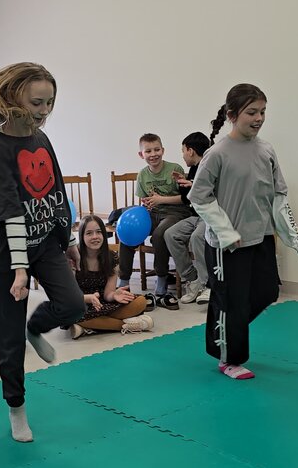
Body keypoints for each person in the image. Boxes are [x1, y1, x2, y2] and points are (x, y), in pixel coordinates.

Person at [0, 62, 85, 443]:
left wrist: (69, 241)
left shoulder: (41, 138)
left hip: (44, 241)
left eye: (49, 103)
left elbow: (56, 192)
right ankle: (16, 408)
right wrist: (20, 270)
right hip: (8, 252)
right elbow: (8, 212)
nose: (44, 110)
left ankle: (35, 326)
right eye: (37, 103)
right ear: (13, 97)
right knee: (9, 342)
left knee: (73, 305)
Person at [189, 83, 298, 381]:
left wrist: (292, 235)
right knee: (232, 302)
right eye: (252, 112)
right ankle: (229, 359)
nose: (259, 118)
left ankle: (224, 322)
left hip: (261, 236)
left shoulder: (266, 149)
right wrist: (226, 231)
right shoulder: (217, 154)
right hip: (227, 244)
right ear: (232, 115)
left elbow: (279, 193)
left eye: (263, 112)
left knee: (267, 292)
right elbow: (198, 196)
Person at [118, 133, 191, 309]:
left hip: (175, 213)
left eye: (156, 149)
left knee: (159, 235)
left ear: (163, 150)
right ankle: (124, 280)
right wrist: (148, 204)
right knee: (127, 234)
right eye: (148, 151)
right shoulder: (142, 175)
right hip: (153, 214)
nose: (153, 154)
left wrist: (161, 200)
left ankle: (162, 278)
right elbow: (145, 201)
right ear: (141, 154)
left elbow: (185, 199)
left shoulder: (174, 168)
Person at [69, 215, 153, 338]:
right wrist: (88, 298)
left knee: (140, 301)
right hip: (80, 303)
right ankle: (129, 325)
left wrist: (114, 295)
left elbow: (108, 294)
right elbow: (69, 296)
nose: (95, 237)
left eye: (98, 232)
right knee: (71, 314)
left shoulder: (112, 257)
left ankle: (89, 327)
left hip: (103, 304)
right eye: (89, 233)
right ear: (81, 236)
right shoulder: (72, 257)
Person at [164, 132, 210, 305]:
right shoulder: (194, 169)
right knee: (171, 234)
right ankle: (193, 279)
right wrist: (184, 182)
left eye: (183, 151)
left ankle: (207, 284)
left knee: (197, 237)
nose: (183, 155)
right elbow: (187, 198)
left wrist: (194, 185)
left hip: (210, 216)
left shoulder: (210, 167)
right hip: (195, 216)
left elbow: (217, 194)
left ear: (190, 151)